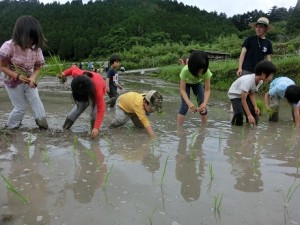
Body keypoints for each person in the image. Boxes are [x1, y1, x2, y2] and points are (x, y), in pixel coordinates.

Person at [0, 15, 48, 129]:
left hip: (27, 78)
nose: (31, 42)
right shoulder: (9, 46)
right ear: (20, 35)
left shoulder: (36, 49)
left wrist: (32, 78)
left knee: (36, 100)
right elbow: (2, 66)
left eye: (33, 39)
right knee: (20, 107)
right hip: (11, 80)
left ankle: (43, 125)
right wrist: (17, 76)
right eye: (29, 39)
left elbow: (37, 67)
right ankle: (10, 128)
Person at [228, 60, 276, 127]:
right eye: (270, 75)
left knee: (254, 112)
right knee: (239, 114)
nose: (271, 78)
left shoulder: (260, 81)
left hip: (245, 94)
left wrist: (255, 106)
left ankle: (252, 131)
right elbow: (243, 100)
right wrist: (248, 115)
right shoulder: (248, 81)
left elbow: (251, 93)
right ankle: (236, 130)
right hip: (235, 94)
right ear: (263, 74)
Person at [62, 71, 106, 139]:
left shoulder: (98, 90)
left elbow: (101, 109)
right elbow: (72, 69)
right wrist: (64, 73)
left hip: (96, 89)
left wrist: (96, 127)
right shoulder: (78, 75)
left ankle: (93, 133)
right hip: (83, 90)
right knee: (78, 108)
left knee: (94, 113)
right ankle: (64, 128)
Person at [177, 50, 212, 126]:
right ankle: (179, 128)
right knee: (184, 106)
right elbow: (182, 90)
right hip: (186, 84)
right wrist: (189, 102)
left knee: (202, 106)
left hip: (197, 83)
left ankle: (204, 128)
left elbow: (207, 90)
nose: (200, 73)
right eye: (198, 71)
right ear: (192, 67)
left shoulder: (206, 72)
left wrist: (204, 103)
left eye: (202, 71)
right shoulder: (185, 70)